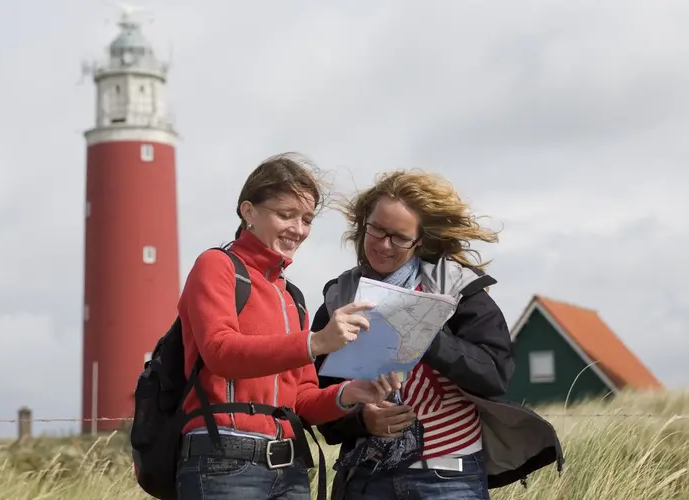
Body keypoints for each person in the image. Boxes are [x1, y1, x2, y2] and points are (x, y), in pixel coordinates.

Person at [313, 170, 564, 500]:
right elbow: (317, 402)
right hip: (366, 478)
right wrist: (361, 420)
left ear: (421, 241)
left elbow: (494, 374)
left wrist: (426, 333)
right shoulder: (338, 300)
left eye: (399, 237)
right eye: (375, 229)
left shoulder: (459, 290)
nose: (383, 244)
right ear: (363, 224)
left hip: (449, 478)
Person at [174, 153, 402, 500]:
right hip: (222, 458)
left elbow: (303, 401)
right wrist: (315, 343)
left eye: (307, 219)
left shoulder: (291, 296)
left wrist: (350, 393)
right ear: (248, 211)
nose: (298, 229)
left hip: (290, 469)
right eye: (286, 215)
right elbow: (220, 352)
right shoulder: (216, 266)